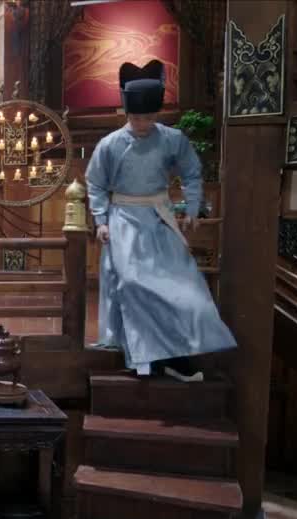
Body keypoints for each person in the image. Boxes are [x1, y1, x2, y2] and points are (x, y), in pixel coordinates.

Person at [85, 59, 237, 382]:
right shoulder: (110, 144)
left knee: (184, 286)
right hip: (124, 220)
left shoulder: (172, 139)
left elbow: (192, 172)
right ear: (126, 113)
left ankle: (177, 354)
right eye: (136, 118)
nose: (142, 124)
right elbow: (95, 183)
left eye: (149, 117)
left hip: (159, 217)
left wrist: (193, 207)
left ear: (157, 114)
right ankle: (145, 359)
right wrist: (101, 220)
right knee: (133, 284)